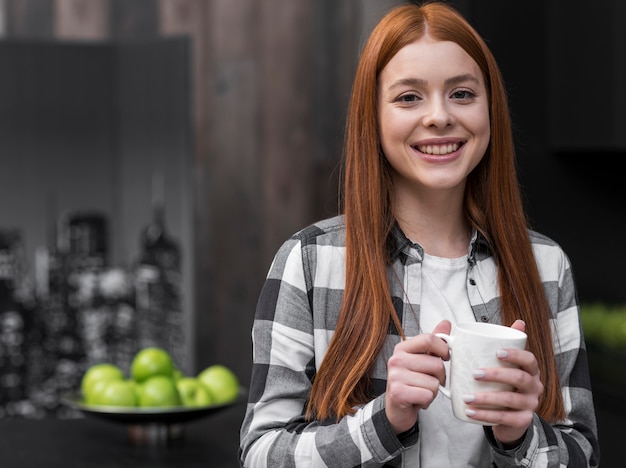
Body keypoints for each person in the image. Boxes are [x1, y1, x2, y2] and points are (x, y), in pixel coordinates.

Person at [239, 1, 599, 466]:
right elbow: (260, 454)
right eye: (409, 97)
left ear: (491, 109)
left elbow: (584, 453)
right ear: (374, 116)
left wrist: (521, 435)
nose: (438, 117)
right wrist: (384, 420)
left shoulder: (546, 265)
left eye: (463, 94)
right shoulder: (309, 261)